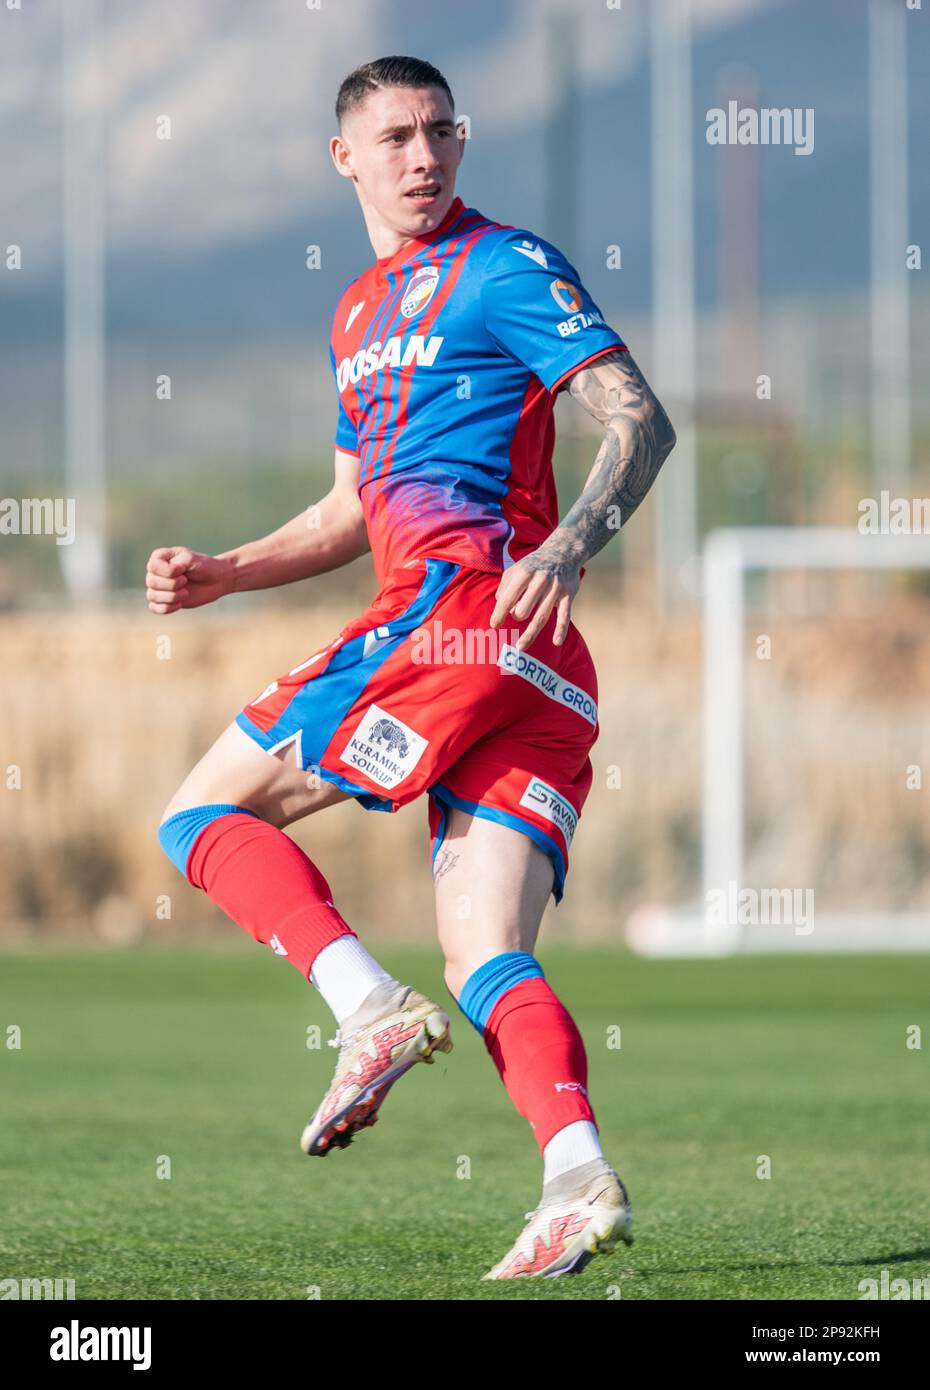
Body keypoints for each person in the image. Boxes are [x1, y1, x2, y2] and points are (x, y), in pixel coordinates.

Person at [149, 55, 676, 1280]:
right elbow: (348, 508)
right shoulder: (355, 314)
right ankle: (576, 1177)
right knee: (484, 948)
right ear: (347, 157)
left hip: (461, 627)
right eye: (396, 136)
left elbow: (637, 417)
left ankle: (365, 1010)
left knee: (194, 814)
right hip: (532, 670)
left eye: (442, 131)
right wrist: (230, 569)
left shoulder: (505, 266)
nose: (425, 155)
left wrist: (569, 537)